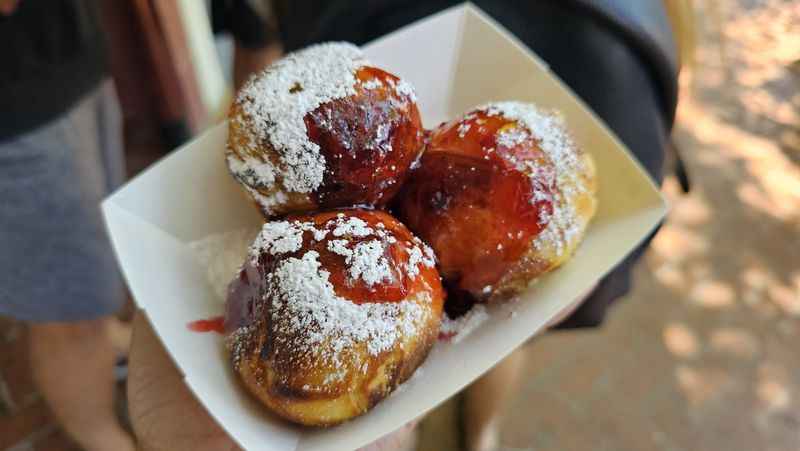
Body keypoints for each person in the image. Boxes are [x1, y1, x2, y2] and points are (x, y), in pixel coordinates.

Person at [0, 1, 136, 450]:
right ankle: (101, 437)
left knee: (99, 245)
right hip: (14, 109)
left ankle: (105, 336)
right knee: (66, 316)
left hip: (71, 47)